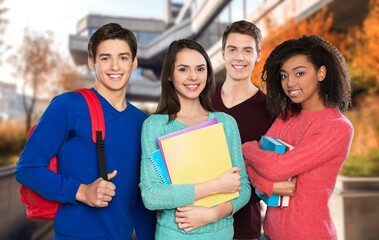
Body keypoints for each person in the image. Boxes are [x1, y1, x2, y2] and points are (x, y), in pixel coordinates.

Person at [15, 23, 156, 240]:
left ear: (134, 62)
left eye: (124, 57)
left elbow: (139, 197)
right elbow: (27, 168)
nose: (115, 66)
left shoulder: (142, 122)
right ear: (92, 62)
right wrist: (81, 191)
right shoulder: (68, 106)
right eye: (105, 57)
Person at [242, 35, 354, 239]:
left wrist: (247, 149)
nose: (290, 83)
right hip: (269, 233)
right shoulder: (287, 117)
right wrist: (268, 185)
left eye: (299, 73)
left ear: (321, 73)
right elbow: (249, 164)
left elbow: (276, 168)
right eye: (284, 76)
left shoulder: (337, 128)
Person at [139, 39, 251, 239]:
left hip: (221, 234)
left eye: (200, 69)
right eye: (183, 69)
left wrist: (213, 214)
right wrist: (215, 186)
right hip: (174, 235)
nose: (193, 77)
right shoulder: (155, 126)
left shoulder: (226, 124)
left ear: (208, 74)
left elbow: (243, 187)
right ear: (170, 76)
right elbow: (152, 196)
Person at [211, 20, 277, 240]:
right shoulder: (201, 98)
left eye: (247, 50)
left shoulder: (271, 112)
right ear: (223, 54)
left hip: (243, 230)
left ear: (258, 55)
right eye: (233, 50)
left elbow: (270, 173)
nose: (239, 57)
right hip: (195, 226)